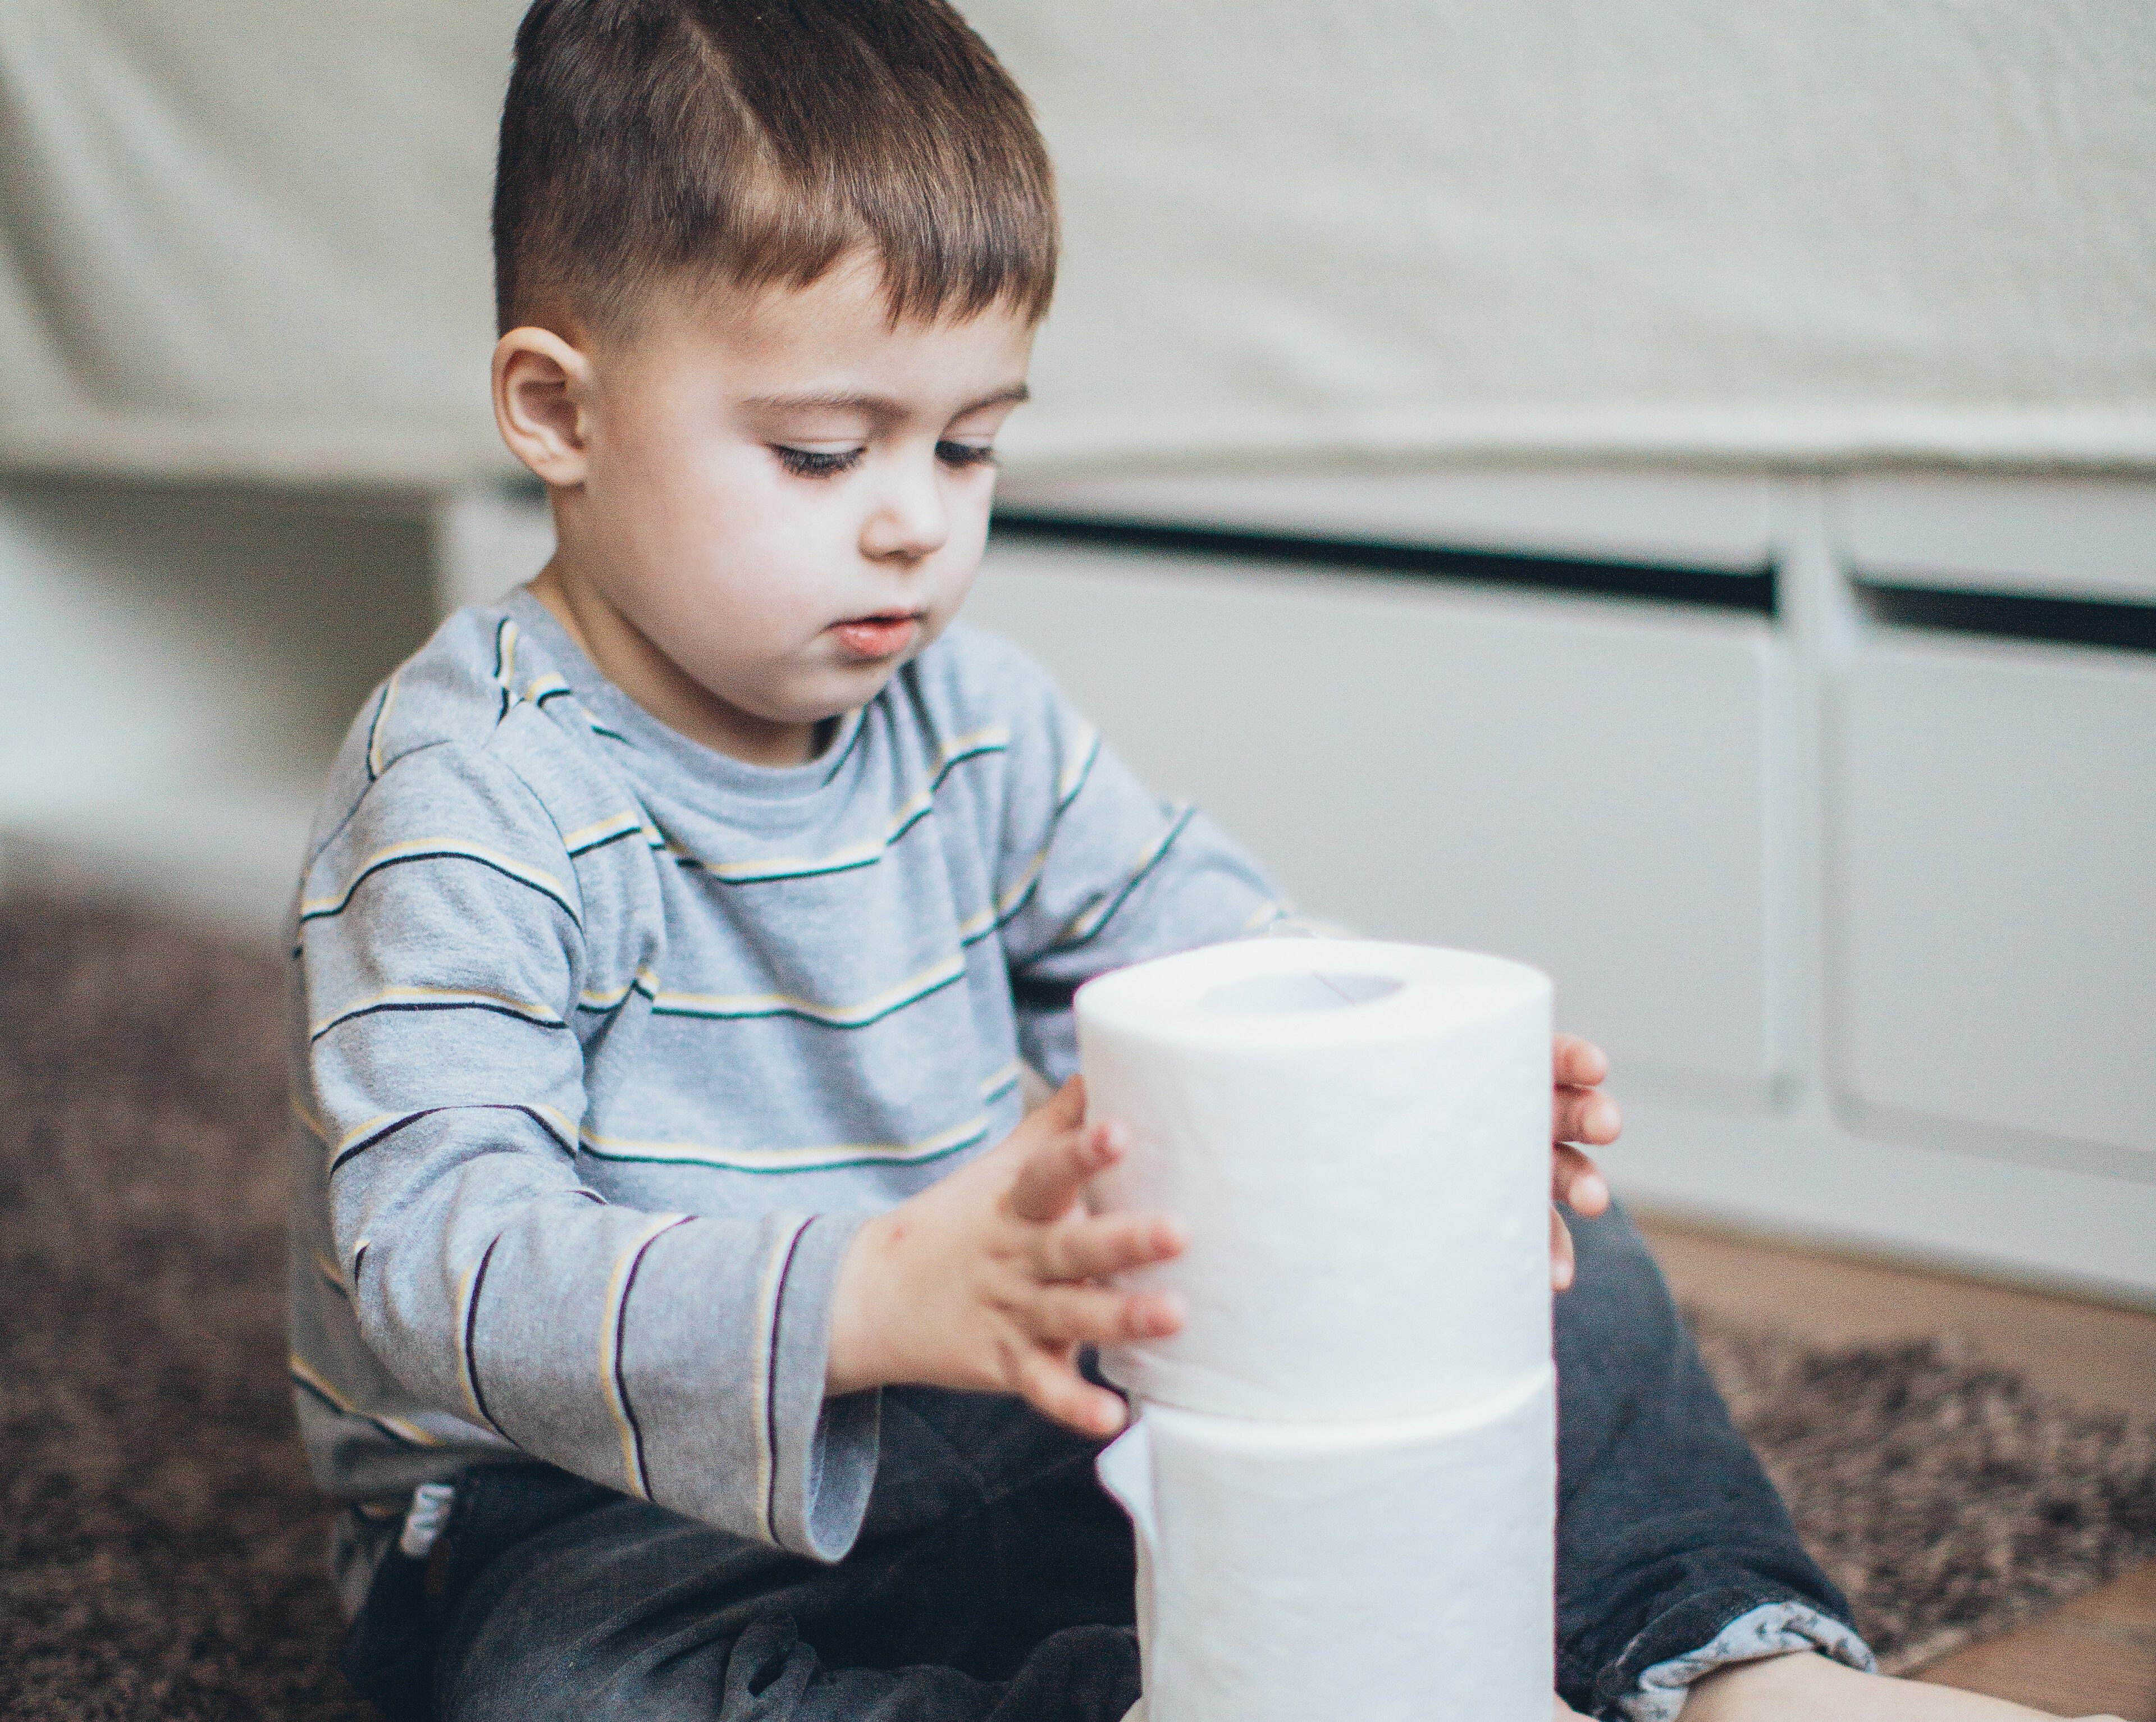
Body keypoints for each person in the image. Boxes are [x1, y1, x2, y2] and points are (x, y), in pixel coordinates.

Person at [285, 4, 2120, 1719]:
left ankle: (1728, 1653)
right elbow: (440, 1253)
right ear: (558, 411)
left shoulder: (971, 720)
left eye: (973, 443)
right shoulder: (470, 788)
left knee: (1531, 1237)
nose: (917, 519)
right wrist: (868, 1290)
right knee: (558, 1689)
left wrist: (1407, 1105)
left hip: (1000, 1380)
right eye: (824, 450)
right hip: (606, 1513)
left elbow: (1210, 940)